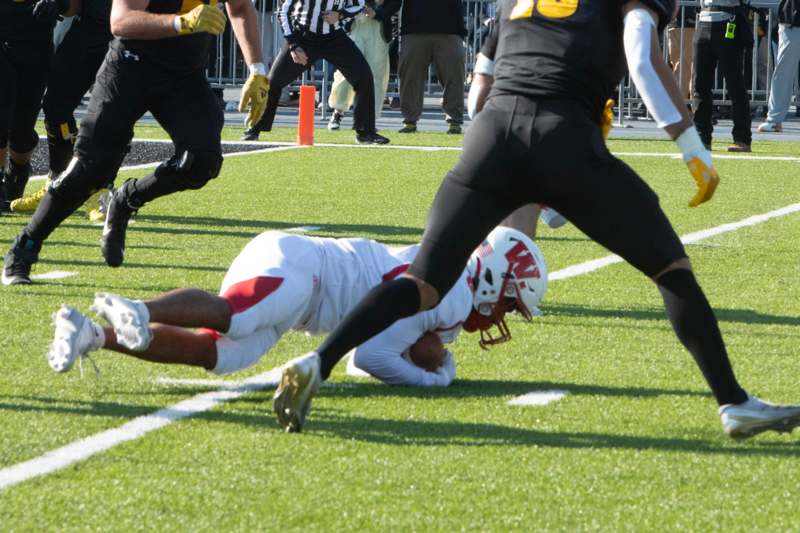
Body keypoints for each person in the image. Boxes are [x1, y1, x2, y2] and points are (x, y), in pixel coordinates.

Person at [272, 0, 800, 440]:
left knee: (423, 283)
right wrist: (690, 146)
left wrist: (495, 165)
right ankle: (733, 402)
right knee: (670, 269)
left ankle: (317, 362)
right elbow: (642, 60)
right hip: (563, 135)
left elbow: (480, 86)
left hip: (492, 135)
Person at [46, 229, 548, 388]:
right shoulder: (455, 291)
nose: (503, 313)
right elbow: (368, 358)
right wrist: (434, 379)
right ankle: (134, 306)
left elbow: (388, 345)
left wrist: (436, 357)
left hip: (307, 297)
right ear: (492, 280)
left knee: (223, 357)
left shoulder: (453, 289)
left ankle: (91, 333)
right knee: (237, 315)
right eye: (509, 300)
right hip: (306, 268)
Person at [2, 0, 269, 286]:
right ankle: (25, 247)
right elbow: (121, 21)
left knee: (202, 160)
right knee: (90, 168)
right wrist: (181, 23)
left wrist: (257, 68)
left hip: (184, 74)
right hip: (131, 65)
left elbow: (240, 8)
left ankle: (126, 200)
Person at [10, 0, 114, 221]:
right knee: (56, 105)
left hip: (129, 35)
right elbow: (76, 5)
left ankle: (100, 192)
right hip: (89, 28)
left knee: (110, 112)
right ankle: (57, 184)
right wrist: (57, 4)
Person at [241, 0, 389, 145]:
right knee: (274, 81)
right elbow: (283, 11)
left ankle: (365, 132)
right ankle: (255, 128)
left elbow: (359, 4)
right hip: (304, 37)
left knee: (364, 77)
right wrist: (293, 44)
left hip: (334, 37)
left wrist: (340, 15)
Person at [0, 0, 78, 210]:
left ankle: (18, 171)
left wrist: (57, 4)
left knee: (21, 131)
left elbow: (71, 5)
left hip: (35, 44)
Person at [395, 0, 467, 135]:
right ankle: (409, 120)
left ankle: (454, 121)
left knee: (454, 77)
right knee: (410, 77)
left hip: (450, 28)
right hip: (414, 28)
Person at [327, 0, 400, 131]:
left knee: (376, 75)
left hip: (379, 29)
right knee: (347, 72)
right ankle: (338, 112)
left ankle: (369, 120)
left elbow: (395, 4)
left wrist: (378, 13)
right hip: (356, 26)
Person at [693, 0, 753, 152]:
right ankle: (702, 138)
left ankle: (742, 138)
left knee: (735, 85)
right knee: (700, 85)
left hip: (728, 19)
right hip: (704, 19)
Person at [757, 0, 800, 132]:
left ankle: (774, 120)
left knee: (783, 72)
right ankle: (774, 120)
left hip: (791, 19)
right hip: (792, 19)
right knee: (783, 72)